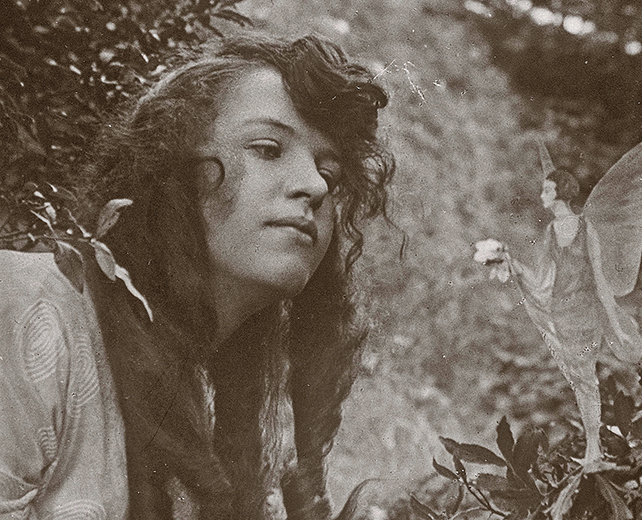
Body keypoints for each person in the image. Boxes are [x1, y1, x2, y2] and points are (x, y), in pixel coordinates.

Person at [0, 33, 394, 519]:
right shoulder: (31, 308)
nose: (314, 186)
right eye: (269, 149)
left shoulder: (221, 398)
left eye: (329, 175)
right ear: (175, 168)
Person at [510, 169, 642, 472]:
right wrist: (514, 265)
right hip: (562, 314)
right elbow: (544, 282)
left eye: (547, 190)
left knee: (585, 381)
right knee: (580, 381)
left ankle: (594, 451)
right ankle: (593, 450)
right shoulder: (550, 233)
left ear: (560, 194)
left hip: (585, 315)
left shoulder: (586, 229)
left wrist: (618, 326)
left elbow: (600, 281)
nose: (542, 196)